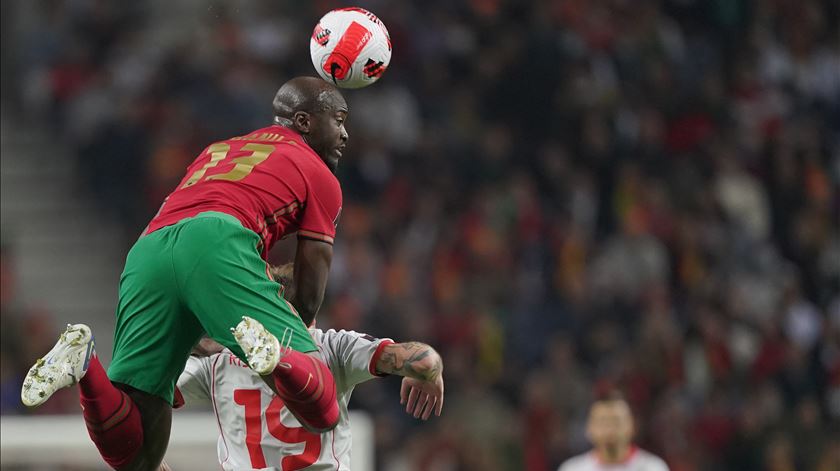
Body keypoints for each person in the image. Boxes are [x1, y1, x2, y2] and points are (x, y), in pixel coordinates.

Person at [21, 76, 350, 471]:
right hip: (218, 236)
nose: (345, 134)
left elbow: (186, 238)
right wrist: (261, 346)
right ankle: (276, 356)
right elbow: (308, 301)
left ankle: (85, 364)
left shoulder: (220, 148)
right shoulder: (320, 175)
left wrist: (204, 322)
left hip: (148, 249)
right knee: (323, 408)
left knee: (137, 456)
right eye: (339, 120)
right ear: (304, 121)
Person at [558, 392, 669, 471]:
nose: (609, 429)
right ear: (589, 428)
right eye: (603, 422)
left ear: (632, 426)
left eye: (616, 421)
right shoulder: (572, 468)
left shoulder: (653, 467)